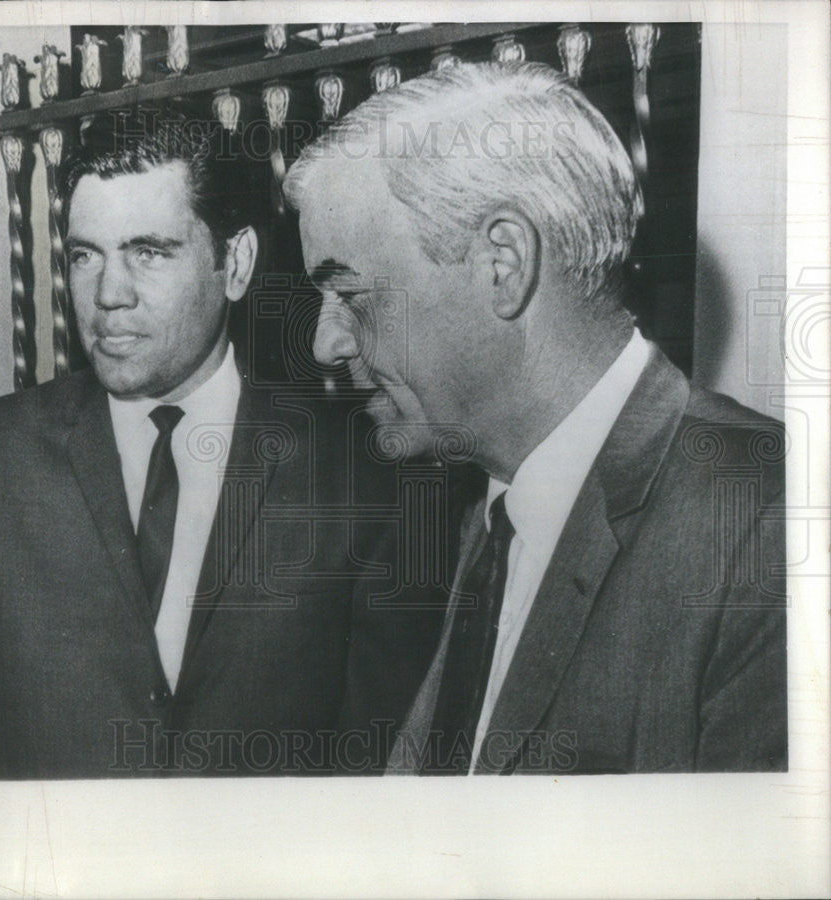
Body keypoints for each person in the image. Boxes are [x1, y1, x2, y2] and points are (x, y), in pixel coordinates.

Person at [0, 111, 442, 779]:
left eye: (148, 251)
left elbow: (385, 787)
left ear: (237, 263)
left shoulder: (361, 475)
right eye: (85, 255)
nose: (108, 295)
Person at [284, 61, 787, 774]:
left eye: (352, 295)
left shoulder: (771, 526)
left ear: (505, 264)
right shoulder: (493, 511)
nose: (325, 343)